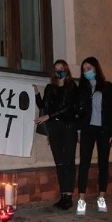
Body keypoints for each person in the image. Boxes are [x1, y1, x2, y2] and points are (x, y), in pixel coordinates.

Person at [75, 56, 112, 216]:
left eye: (89, 68)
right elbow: (78, 114)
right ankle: (81, 199)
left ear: (96, 68)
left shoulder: (108, 87)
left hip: (104, 130)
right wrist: (79, 131)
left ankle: (101, 197)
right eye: (84, 69)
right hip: (87, 130)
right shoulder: (81, 89)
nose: (86, 71)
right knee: (84, 164)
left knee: (103, 164)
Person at [33, 60, 79, 211]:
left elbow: (69, 108)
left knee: (69, 161)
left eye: (62, 68)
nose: (59, 71)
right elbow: (43, 106)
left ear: (66, 70)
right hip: (54, 127)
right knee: (59, 162)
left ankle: (68, 196)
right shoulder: (50, 87)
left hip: (68, 126)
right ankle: (63, 195)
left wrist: (49, 116)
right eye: (56, 69)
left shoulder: (72, 87)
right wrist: (36, 93)